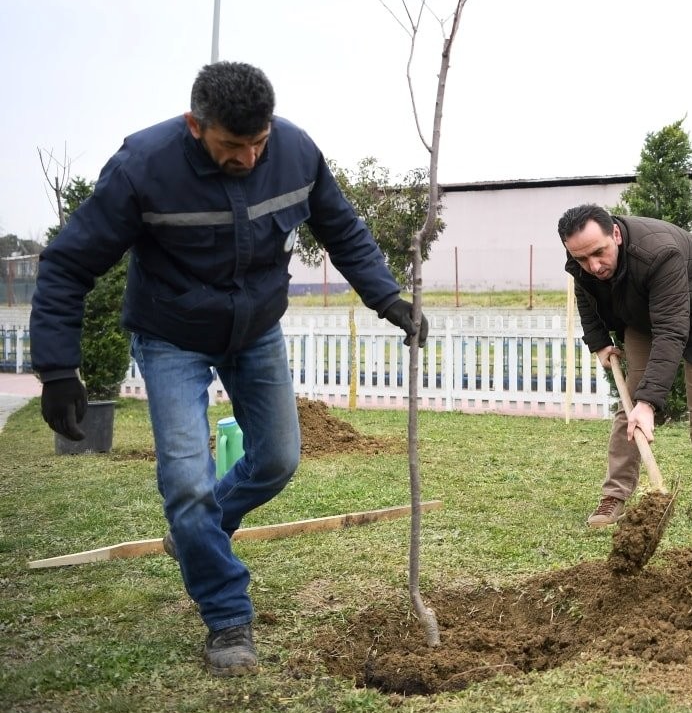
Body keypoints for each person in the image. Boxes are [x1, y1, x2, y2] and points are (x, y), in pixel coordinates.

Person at [29, 61, 426, 677]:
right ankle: (227, 618)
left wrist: (388, 297)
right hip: (170, 336)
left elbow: (342, 228)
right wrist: (57, 369)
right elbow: (68, 265)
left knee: (277, 459)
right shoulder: (143, 167)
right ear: (196, 126)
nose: (247, 157)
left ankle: (194, 534)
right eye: (230, 146)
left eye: (257, 142)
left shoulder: (294, 150)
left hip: (256, 330)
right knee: (186, 483)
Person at [558, 204, 692, 530]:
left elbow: (672, 331)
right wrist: (599, 341)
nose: (594, 265)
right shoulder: (585, 264)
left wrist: (648, 404)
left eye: (599, 253)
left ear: (615, 233)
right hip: (646, 313)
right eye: (582, 259)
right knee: (629, 398)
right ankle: (615, 493)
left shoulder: (658, 253)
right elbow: (586, 296)